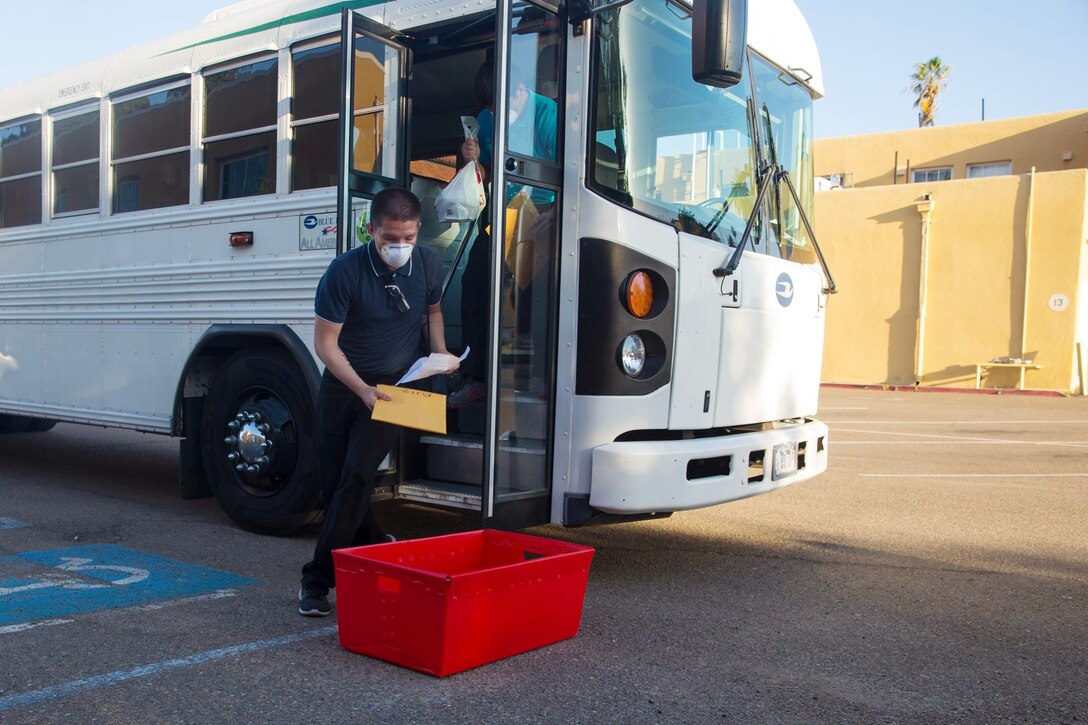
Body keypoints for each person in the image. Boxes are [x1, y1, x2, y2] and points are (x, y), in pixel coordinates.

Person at [298, 187, 457, 617]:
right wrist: (361, 390)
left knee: (355, 476)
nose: (399, 247)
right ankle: (372, 542)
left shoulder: (427, 263)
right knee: (334, 486)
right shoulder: (344, 272)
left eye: (407, 238)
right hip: (344, 382)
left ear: (419, 230)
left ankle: (316, 581)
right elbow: (325, 345)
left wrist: (439, 354)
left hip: (396, 387)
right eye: (390, 238)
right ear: (371, 230)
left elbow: (432, 311)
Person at [447, 59, 558, 407]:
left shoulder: (547, 114)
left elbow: (571, 169)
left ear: (522, 90)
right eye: (490, 107)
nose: (494, 113)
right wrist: (471, 159)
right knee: (477, 280)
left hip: (543, 213)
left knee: (537, 292)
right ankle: (476, 376)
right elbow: (482, 176)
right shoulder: (486, 120)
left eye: (501, 104)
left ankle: (543, 378)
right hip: (503, 212)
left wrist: (555, 213)